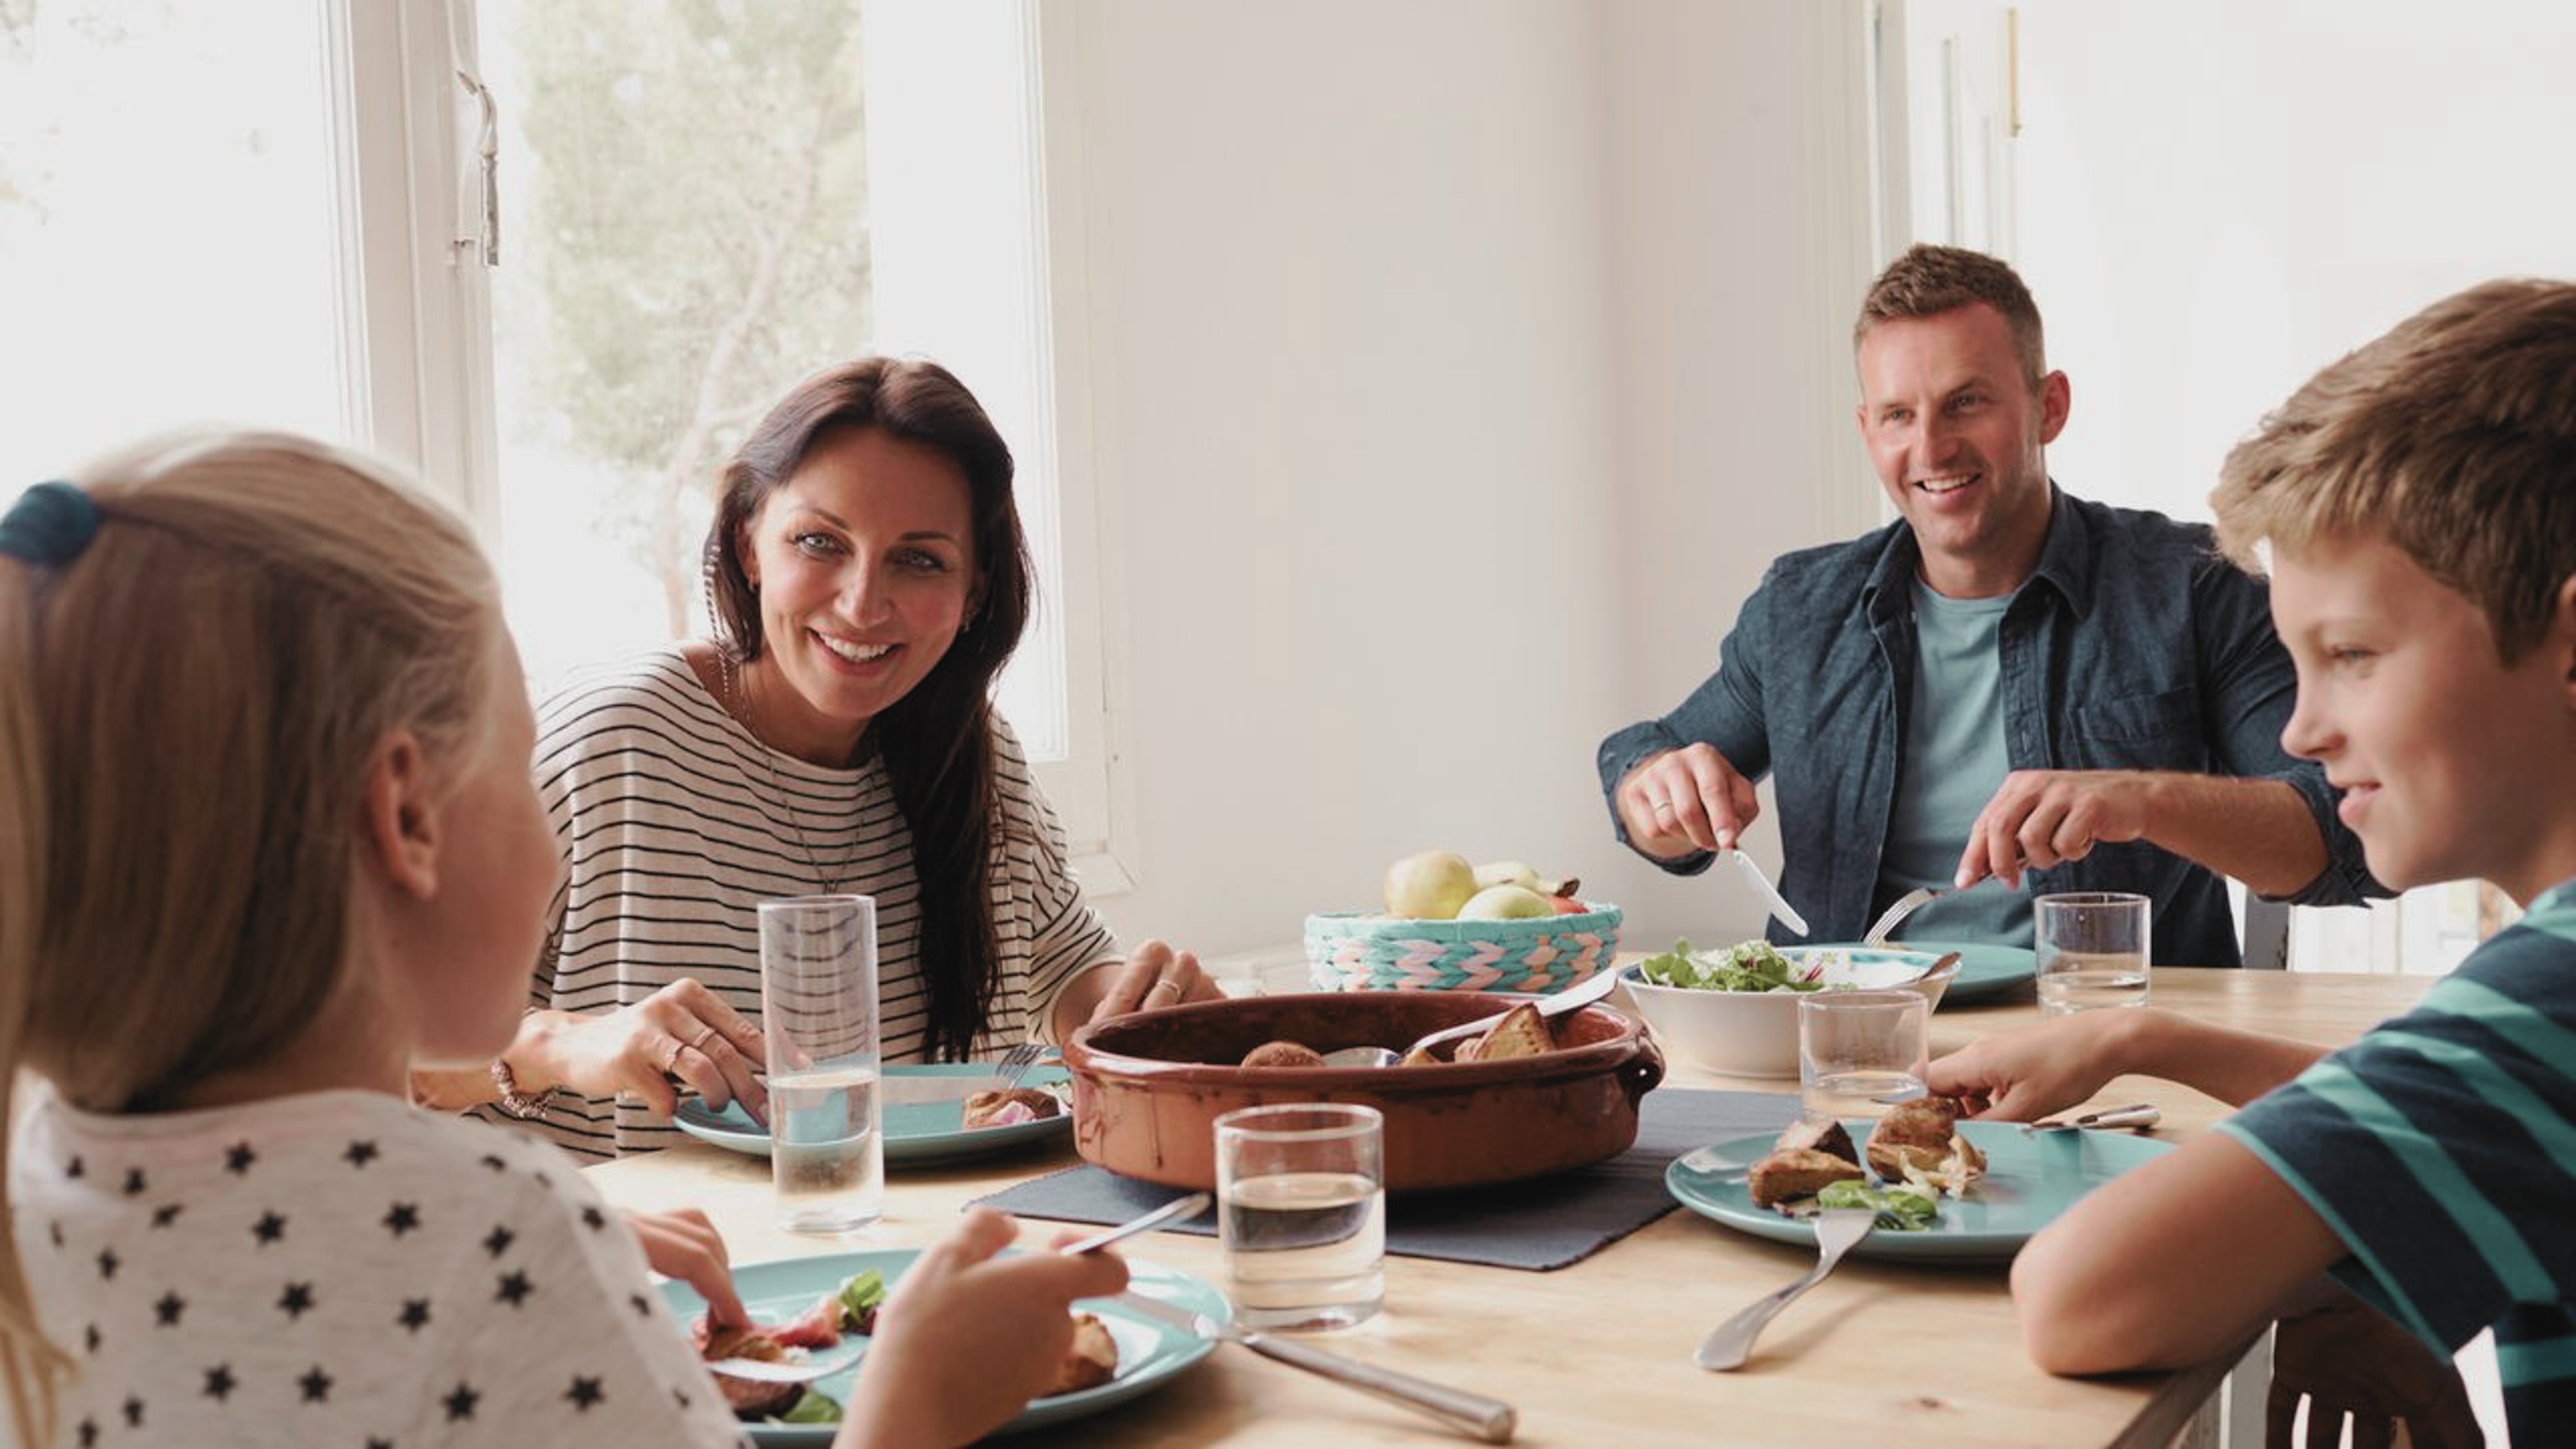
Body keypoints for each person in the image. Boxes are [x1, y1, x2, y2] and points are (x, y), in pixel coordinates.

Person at [0, 434, 1128, 1448]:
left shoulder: (37, 1198)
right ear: (406, 815)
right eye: (518, 758)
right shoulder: (502, 1240)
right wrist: (915, 1400)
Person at [1925, 279, 2576, 1441]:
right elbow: (2453, 1114)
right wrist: (2143, 1039)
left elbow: (2081, 1295)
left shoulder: (2552, 989)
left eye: (2352, 653)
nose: (2300, 729)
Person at [416, 358, 1220, 1160]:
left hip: (897, 1261)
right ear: (749, 545)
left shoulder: (973, 755)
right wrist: (565, 1043)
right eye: (819, 542)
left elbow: (1078, 989)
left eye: (919, 559)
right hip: (621, 1267)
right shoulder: (606, 741)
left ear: (974, 589)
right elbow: (388, 1056)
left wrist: (1155, 1020)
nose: (862, 603)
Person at [1596, 244, 2376, 965]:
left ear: (2049, 407)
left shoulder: (2193, 584)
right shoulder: (1799, 608)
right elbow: (1649, 765)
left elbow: (2340, 835)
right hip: (1849, 1042)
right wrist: (1654, 794)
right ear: (1867, 431)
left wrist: (2143, 799)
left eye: (1966, 402)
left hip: (2111, 1039)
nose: (1931, 449)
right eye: (1899, 415)